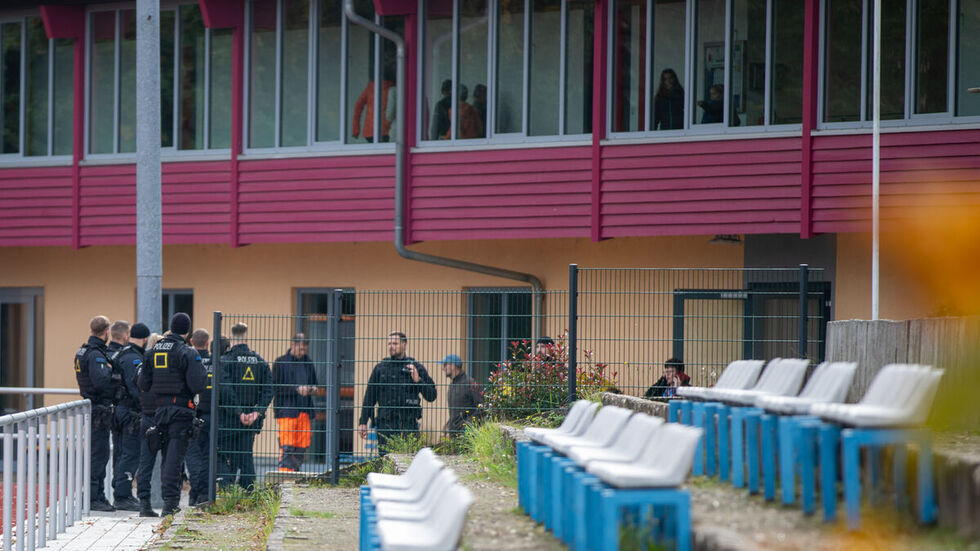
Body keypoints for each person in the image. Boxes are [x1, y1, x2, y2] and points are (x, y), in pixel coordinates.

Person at [138, 313, 208, 516]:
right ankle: (170, 505)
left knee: (166, 456)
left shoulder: (151, 351)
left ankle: (169, 502)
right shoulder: (186, 352)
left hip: (160, 412)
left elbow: (143, 384)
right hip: (181, 411)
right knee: (174, 459)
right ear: (187, 331)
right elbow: (198, 384)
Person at [358, 332, 437, 454]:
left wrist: (418, 381)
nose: (391, 346)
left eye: (395, 343)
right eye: (389, 343)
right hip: (386, 425)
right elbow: (369, 397)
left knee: (408, 461)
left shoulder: (415, 367)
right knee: (386, 462)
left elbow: (432, 396)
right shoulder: (381, 369)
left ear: (404, 345)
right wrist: (363, 422)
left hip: (408, 425)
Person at [74, 315, 123, 512]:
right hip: (98, 409)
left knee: (98, 453)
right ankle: (95, 497)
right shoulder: (95, 354)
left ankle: (97, 495)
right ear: (106, 332)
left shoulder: (83, 350)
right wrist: (114, 376)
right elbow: (101, 382)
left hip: (92, 407)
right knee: (99, 454)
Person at [219, 323, 273, 490]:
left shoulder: (225, 360)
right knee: (245, 456)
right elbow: (268, 389)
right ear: (247, 337)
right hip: (250, 418)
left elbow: (226, 389)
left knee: (227, 457)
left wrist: (238, 412)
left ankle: (227, 493)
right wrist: (257, 411)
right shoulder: (259, 361)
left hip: (228, 417)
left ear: (230, 338)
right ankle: (249, 493)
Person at [108, 322, 150, 512]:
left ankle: (120, 491)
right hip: (130, 412)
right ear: (145, 339)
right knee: (130, 453)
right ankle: (123, 495)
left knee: (121, 451)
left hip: (119, 410)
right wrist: (146, 406)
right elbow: (137, 388)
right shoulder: (133, 358)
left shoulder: (121, 353)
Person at [273, 333, 323, 472]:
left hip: (304, 411)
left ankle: (295, 473)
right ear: (293, 344)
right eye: (301, 349)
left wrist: (312, 389)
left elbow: (315, 385)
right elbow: (275, 388)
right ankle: (285, 476)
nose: (303, 352)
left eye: (305, 349)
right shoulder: (281, 362)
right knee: (287, 445)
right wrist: (296, 389)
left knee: (302, 445)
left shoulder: (308, 362)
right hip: (286, 411)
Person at [136, 332, 164, 517]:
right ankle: (170, 501)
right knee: (170, 460)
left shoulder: (141, 366)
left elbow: (135, 386)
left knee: (145, 462)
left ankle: (144, 503)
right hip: (163, 415)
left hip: (146, 416)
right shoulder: (164, 366)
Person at [185, 328, 213, 506]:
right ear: (208, 343)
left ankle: (195, 493)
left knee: (192, 456)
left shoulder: (188, 359)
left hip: (192, 414)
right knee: (207, 456)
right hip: (212, 415)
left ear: (191, 343)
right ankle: (203, 493)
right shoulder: (216, 361)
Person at [440, 354, 483, 436]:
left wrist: (467, 426)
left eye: (445, 365)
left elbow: (481, 407)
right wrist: (448, 426)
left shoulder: (470, 383)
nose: (443, 368)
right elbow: (455, 413)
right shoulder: (452, 386)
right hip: (455, 434)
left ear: (452, 366)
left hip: (468, 435)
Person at [351, 65, 395, 143]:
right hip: (387, 129)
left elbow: (358, 106)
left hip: (370, 131)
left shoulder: (371, 87)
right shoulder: (393, 89)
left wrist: (355, 129)